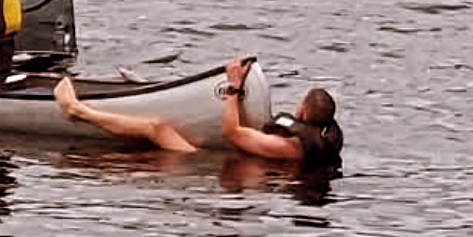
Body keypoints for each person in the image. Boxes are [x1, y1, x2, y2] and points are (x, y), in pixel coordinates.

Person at [54, 56, 343, 167]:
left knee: (156, 128)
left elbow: (231, 133)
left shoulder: (290, 147)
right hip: (224, 159)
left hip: (203, 163)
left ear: (303, 112)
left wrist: (232, 88)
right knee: (157, 127)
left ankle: (77, 110)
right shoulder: (321, 137)